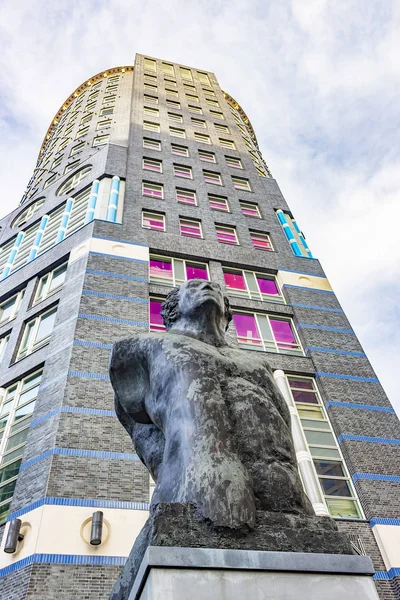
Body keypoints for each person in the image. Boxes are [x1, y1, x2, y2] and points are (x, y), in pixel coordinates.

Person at [109, 279, 313, 531]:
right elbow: (143, 435)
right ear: (173, 308)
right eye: (193, 287)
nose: (207, 287)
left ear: (227, 313)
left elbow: (283, 426)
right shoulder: (140, 350)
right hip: (200, 492)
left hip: (283, 493)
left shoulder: (257, 364)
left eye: (216, 288)